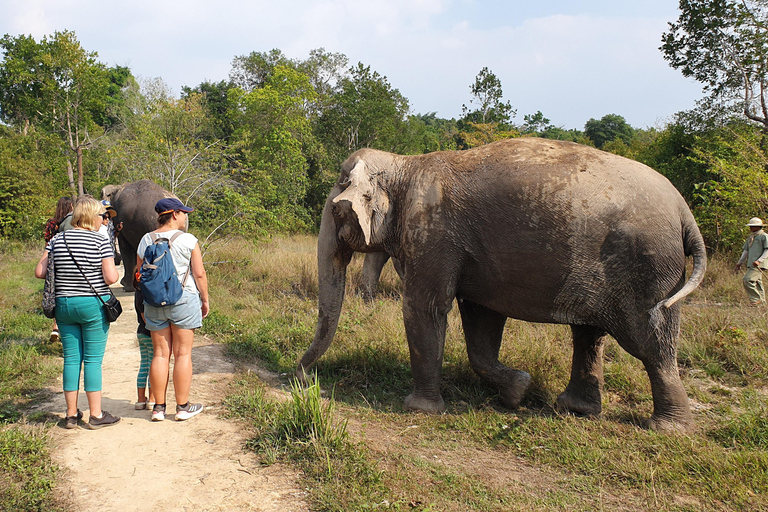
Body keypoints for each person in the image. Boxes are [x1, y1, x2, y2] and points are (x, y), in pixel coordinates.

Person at [35, 196, 121, 430]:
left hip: (63, 305)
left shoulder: (57, 239)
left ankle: (71, 415)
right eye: (100, 216)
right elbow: (111, 278)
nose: (102, 220)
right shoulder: (99, 241)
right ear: (91, 216)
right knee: (93, 361)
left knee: (72, 359)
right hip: (92, 305)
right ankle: (96, 414)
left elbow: (40, 271)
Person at [136, 197, 209, 421]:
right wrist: (205, 299)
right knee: (182, 354)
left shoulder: (146, 239)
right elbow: (199, 274)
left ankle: (158, 408)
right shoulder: (188, 240)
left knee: (160, 354)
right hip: (184, 300)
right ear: (175, 214)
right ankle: (182, 408)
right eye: (184, 213)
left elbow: (139, 275)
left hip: (154, 302)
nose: (186, 216)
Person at [44, 197, 74, 343]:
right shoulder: (70, 223)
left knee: (53, 293)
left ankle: (55, 327)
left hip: (51, 258)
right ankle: (60, 327)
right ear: (71, 207)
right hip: (66, 260)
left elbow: (47, 240)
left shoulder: (51, 223)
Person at [133, 273, 155, 410]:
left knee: (144, 365)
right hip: (150, 333)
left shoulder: (137, 293)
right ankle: (152, 399)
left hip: (141, 332)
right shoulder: (146, 293)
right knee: (154, 366)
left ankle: (141, 399)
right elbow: (145, 316)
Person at [736, 217, 768, 306]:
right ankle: (762, 302)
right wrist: (740, 262)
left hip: (758, 264)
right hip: (751, 263)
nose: (750, 228)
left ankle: (756, 299)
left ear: (758, 226)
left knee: (747, 280)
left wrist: (759, 261)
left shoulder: (764, 236)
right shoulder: (751, 237)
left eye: (753, 226)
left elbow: (767, 250)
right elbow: (746, 251)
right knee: (758, 283)